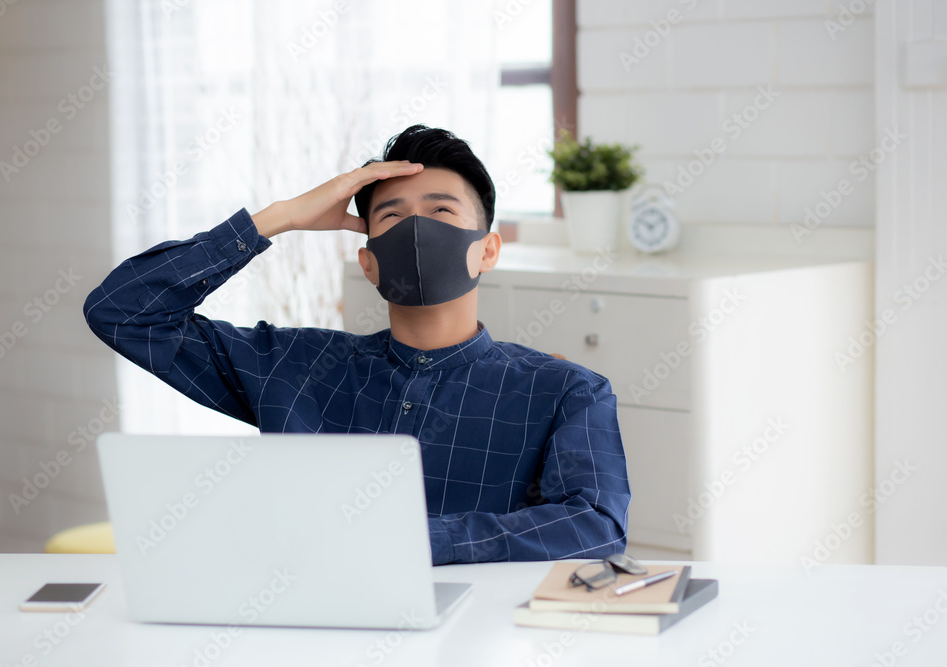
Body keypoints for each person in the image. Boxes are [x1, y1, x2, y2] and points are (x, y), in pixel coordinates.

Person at [84, 124, 630, 565]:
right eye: (391, 216)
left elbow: (596, 526)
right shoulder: (292, 365)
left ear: (488, 250)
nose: (416, 230)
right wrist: (278, 218)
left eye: (441, 211)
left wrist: (412, 540)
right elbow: (123, 312)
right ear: (368, 263)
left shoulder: (565, 391)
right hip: (303, 627)